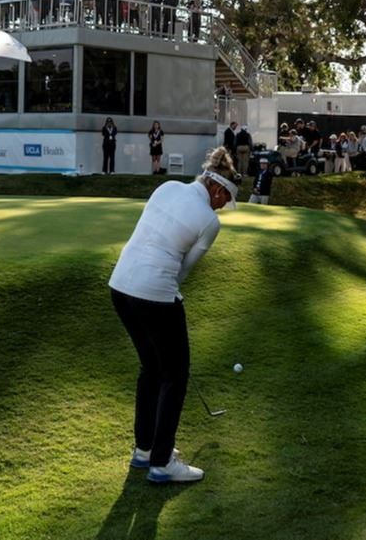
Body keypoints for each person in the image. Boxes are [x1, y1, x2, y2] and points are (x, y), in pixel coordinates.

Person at [108, 146, 240, 484]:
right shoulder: (209, 221)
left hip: (120, 286)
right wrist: (168, 293)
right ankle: (163, 462)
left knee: (151, 367)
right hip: (154, 291)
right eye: (226, 197)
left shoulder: (166, 187)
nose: (225, 205)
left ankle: (145, 449)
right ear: (216, 188)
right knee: (175, 375)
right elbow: (183, 271)